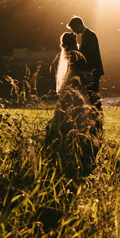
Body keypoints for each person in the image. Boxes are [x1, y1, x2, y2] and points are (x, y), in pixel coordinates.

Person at [45, 31, 102, 179]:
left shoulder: (69, 52)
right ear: (72, 41)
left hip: (72, 81)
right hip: (76, 82)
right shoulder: (74, 53)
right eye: (75, 39)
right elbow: (75, 67)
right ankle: (79, 132)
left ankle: (62, 129)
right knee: (79, 105)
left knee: (66, 106)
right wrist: (83, 76)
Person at [67, 16, 104, 112]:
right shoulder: (85, 36)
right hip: (89, 71)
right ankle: (94, 119)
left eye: (74, 28)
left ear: (79, 25)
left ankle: (97, 120)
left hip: (92, 71)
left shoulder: (90, 36)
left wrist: (85, 70)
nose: (73, 31)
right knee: (91, 96)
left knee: (94, 97)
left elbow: (89, 56)